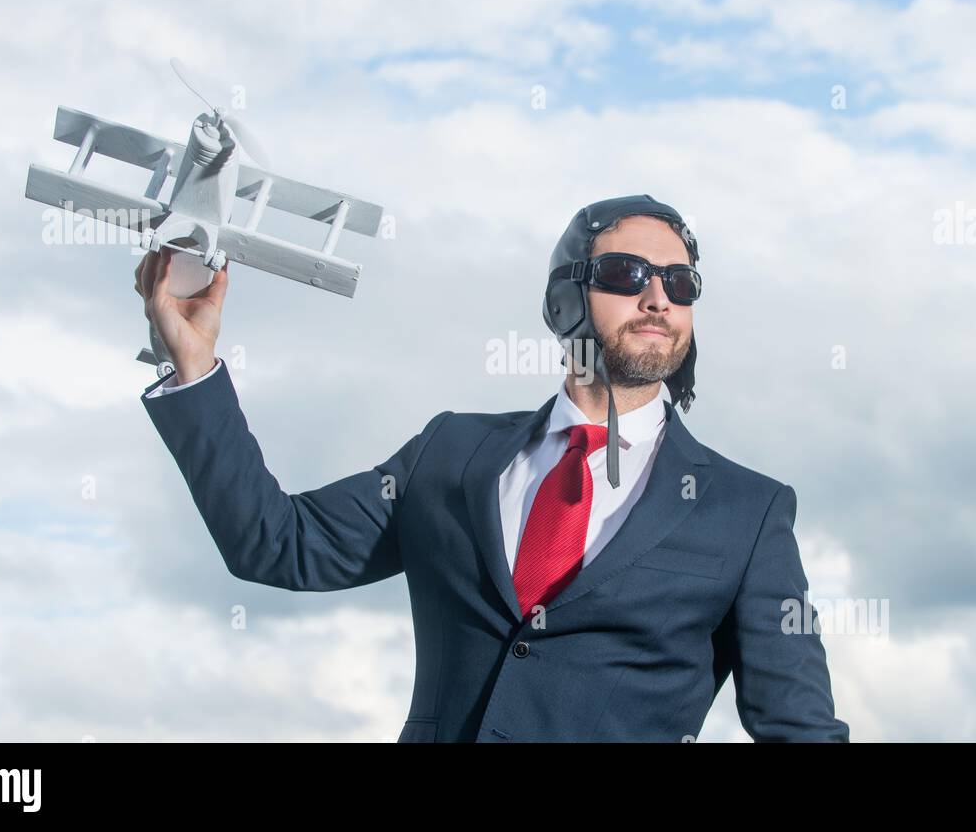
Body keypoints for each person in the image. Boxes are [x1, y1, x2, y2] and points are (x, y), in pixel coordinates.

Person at [135, 194, 849, 742]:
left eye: (680, 281)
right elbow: (274, 541)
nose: (657, 296)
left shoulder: (746, 514)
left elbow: (803, 731)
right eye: (628, 274)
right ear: (563, 299)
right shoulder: (450, 454)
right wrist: (192, 365)